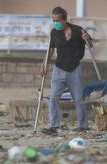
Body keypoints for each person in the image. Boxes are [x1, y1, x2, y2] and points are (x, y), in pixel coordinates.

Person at [40, 6, 93, 135]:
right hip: (59, 68)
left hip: (75, 68)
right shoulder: (54, 32)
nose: (56, 23)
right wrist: (44, 63)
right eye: (54, 20)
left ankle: (83, 126)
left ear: (65, 20)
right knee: (53, 97)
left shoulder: (78, 30)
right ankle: (53, 126)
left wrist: (87, 39)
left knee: (79, 99)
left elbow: (90, 45)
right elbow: (51, 50)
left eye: (58, 20)